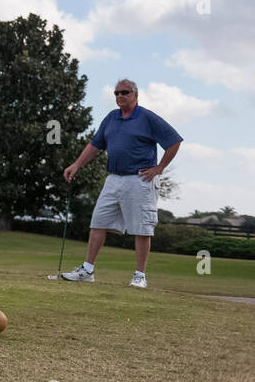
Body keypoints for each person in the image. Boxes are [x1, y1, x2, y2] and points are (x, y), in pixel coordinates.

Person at [61, 79, 182, 288]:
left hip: (141, 179)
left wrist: (159, 168)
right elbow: (95, 145)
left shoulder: (147, 117)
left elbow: (174, 140)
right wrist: (77, 164)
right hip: (113, 179)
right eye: (116, 93)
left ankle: (139, 276)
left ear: (135, 95)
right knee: (97, 223)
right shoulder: (111, 118)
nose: (119, 96)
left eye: (124, 92)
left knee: (142, 228)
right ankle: (87, 270)